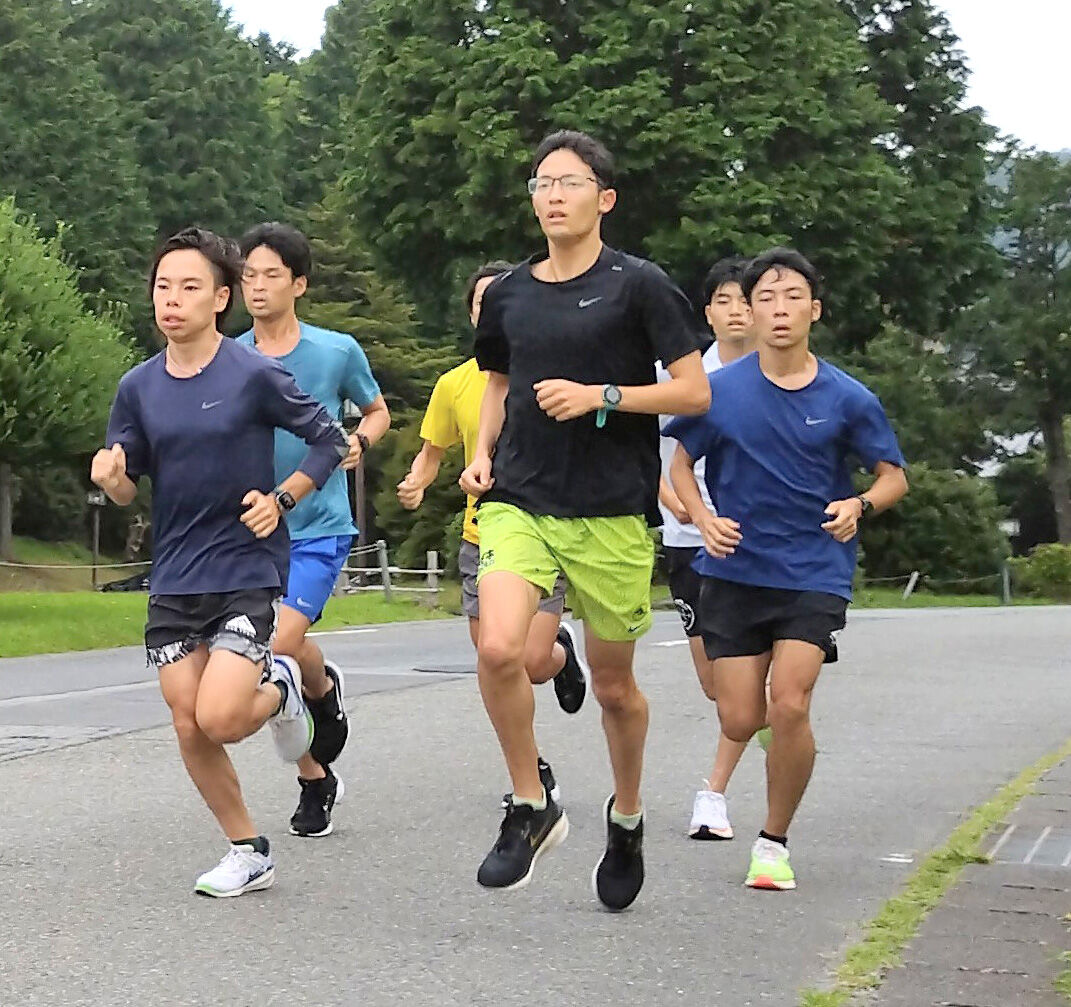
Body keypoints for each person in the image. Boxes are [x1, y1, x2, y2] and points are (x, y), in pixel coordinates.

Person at [459, 130, 709, 910]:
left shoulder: (641, 286)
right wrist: (479, 452)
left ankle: (626, 814)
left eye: (568, 182)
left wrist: (603, 395)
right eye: (541, 183)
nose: (552, 195)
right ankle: (530, 804)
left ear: (603, 197)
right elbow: (496, 382)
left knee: (612, 686)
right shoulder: (507, 293)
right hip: (520, 497)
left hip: (609, 509)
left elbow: (694, 392)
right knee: (498, 645)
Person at [92, 227, 349, 897]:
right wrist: (112, 475)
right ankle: (247, 847)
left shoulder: (253, 373)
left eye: (189, 286)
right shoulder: (138, 387)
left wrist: (282, 498)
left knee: (223, 718)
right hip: (175, 572)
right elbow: (127, 485)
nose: (171, 300)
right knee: (188, 719)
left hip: (245, 565)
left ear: (221, 298)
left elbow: (327, 438)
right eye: (162, 286)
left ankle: (284, 682)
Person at [666, 247, 908, 891]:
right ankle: (767, 779)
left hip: (813, 570)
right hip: (735, 571)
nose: (778, 309)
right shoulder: (718, 392)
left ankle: (773, 842)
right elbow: (680, 466)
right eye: (765, 298)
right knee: (740, 716)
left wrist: (859, 504)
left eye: (792, 296)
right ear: (748, 310)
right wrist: (703, 518)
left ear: (814, 310)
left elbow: (893, 478)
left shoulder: (849, 397)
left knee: (790, 702)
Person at [397, 262, 588, 808]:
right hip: (480, 538)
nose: (492, 313)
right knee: (495, 666)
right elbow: (433, 451)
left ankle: (559, 651)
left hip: (539, 531)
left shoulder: (549, 373)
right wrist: (415, 481)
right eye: (482, 305)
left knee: (529, 662)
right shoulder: (454, 384)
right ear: (473, 315)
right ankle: (531, 770)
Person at [237, 222, 390, 838]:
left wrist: (360, 441)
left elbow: (376, 410)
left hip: (317, 527)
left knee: (270, 650)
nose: (258, 286)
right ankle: (318, 751)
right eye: (248, 275)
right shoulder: (230, 356)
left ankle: (311, 775)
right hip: (250, 532)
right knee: (283, 653)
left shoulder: (335, 351)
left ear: (299, 283)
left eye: (271, 274)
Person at [656, 256, 756, 841]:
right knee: (717, 685)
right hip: (690, 542)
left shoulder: (784, 374)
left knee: (746, 681)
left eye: (747, 299)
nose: (737, 311)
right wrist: (676, 501)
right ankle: (754, 720)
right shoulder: (686, 379)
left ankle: (713, 793)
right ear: (708, 312)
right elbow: (650, 457)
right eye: (724, 300)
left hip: (757, 547)